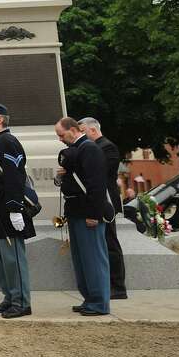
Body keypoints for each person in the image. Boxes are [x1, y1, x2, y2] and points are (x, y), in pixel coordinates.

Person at [0, 101, 34, 318]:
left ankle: (22, 302)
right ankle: (10, 297)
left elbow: (14, 177)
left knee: (13, 259)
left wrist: (15, 208)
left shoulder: (8, 142)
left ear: (0, 119)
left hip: (6, 206)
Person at [56, 117, 111, 316]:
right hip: (76, 212)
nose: (60, 139)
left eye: (62, 135)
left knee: (93, 260)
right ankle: (89, 298)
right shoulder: (78, 150)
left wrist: (93, 214)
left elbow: (96, 185)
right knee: (81, 261)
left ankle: (99, 302)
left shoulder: (89, 149)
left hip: (88, 213)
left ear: (73, 129)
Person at [79, 117, 128, 300]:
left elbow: (101, 171)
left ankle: (118, 286)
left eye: (83, 131)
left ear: (92, 130)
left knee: (110, 243)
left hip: (106, 202)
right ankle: (105, 283)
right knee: (101, 244)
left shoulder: (107, 147)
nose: (81, 135)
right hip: (96, 201)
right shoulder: (87, 148)